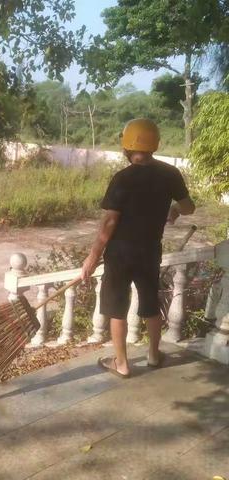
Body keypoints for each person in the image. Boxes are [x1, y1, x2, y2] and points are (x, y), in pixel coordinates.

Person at [81, 118, 195, 378]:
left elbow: (110, 221)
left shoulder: (122, 178)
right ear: (155, 144)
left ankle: (121, 364)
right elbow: (189, 207)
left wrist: (91, 256)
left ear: (126, 145)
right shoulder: (170, 173)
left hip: (120, 254)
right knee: (150, 302)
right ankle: (154, 356)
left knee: (116, 308)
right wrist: (175, 209)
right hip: (150, 252)